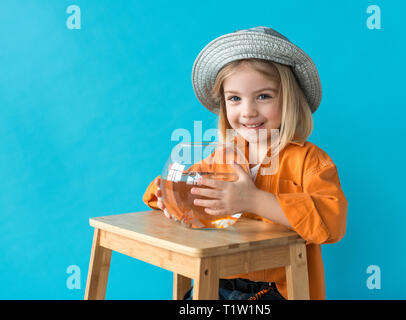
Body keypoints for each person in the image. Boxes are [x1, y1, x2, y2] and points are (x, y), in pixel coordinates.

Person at [142, 26, 348, 300]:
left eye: (263, 96)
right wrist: (169, 197)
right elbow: (178, 187)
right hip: (218, 281)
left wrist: (253, 200)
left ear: (290, 100)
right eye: (235, 99)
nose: (248, 111)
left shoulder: (310, 162)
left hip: (278, 289)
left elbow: (331, 223)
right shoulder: (222, 157)